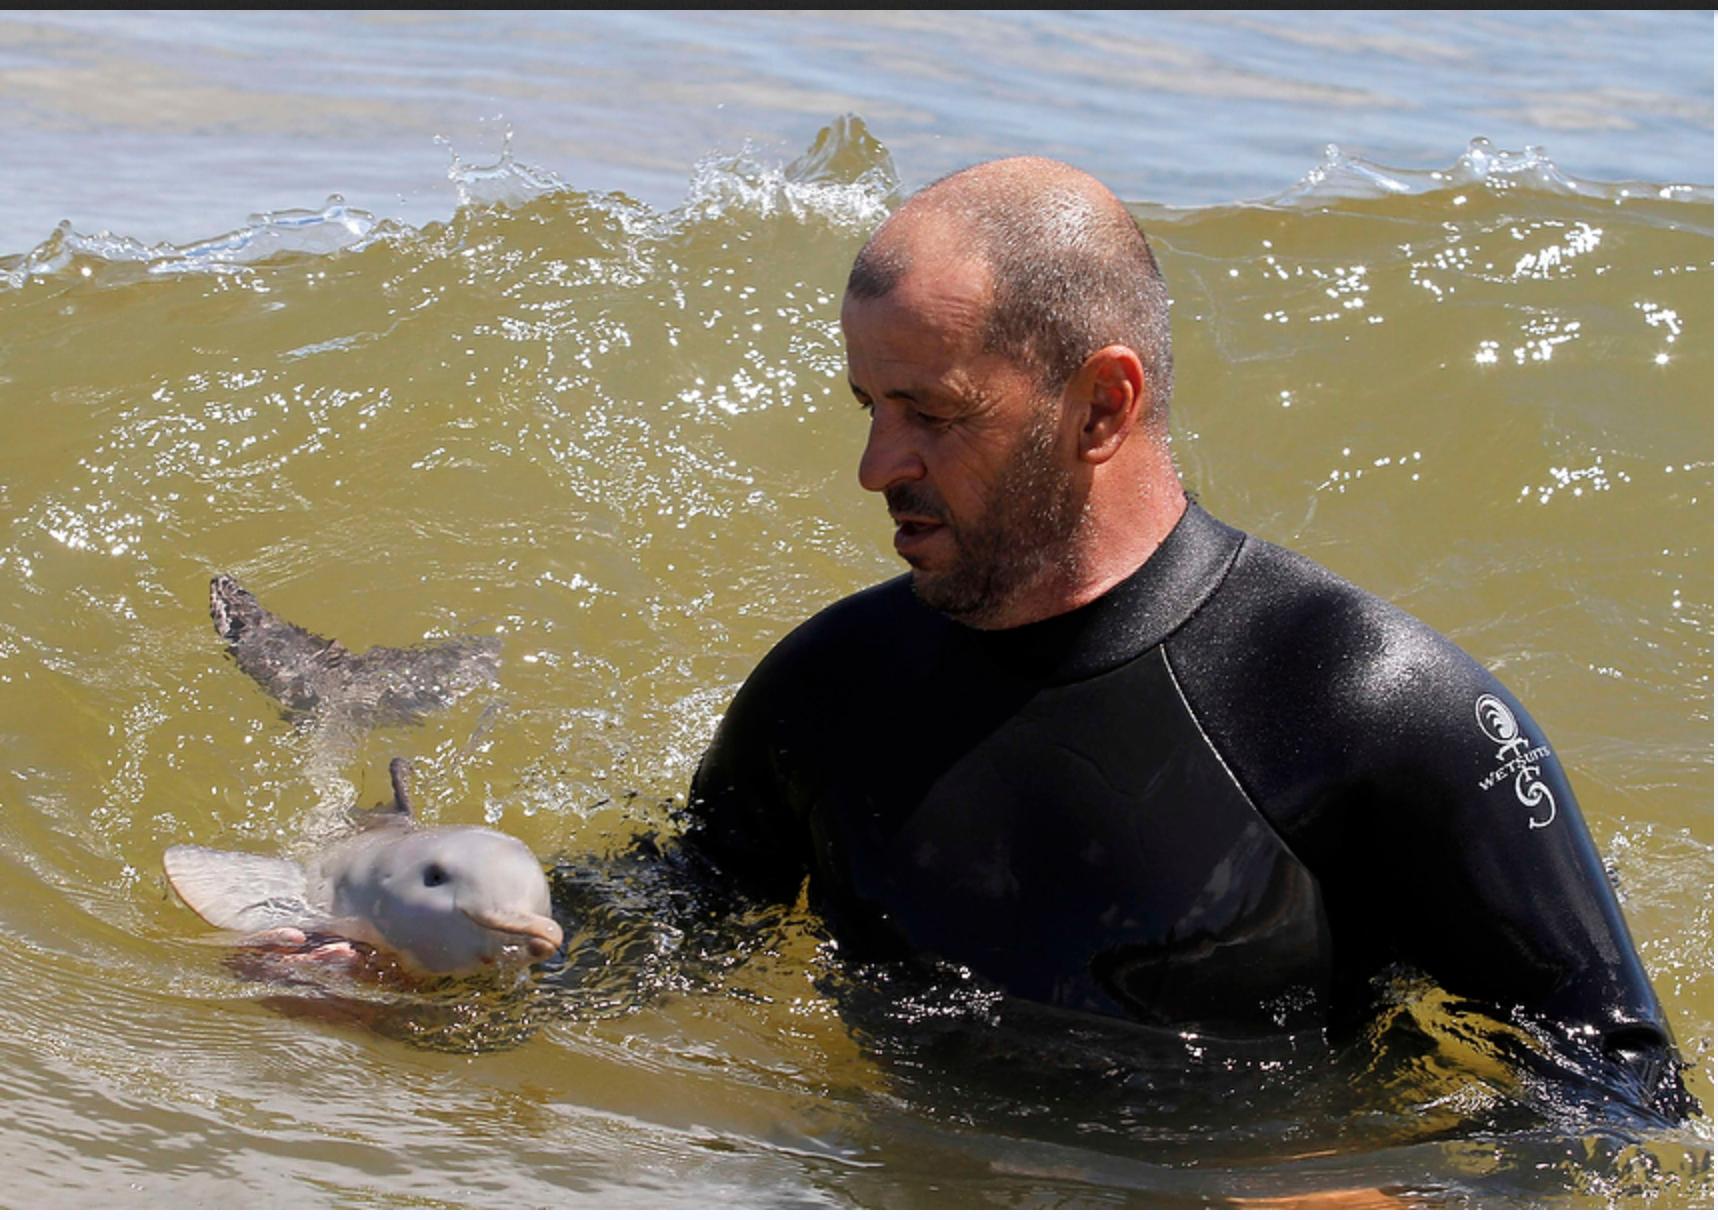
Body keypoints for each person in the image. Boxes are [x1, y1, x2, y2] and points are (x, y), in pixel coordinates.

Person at [676, 157, 1690, 1116]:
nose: (874, 466)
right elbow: (662, 932)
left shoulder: (1373, 706)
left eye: (930, 414)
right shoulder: (829, 689)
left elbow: (1623, 1094)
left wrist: (1386, 1194)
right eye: (869, 406)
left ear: (1100, 407)